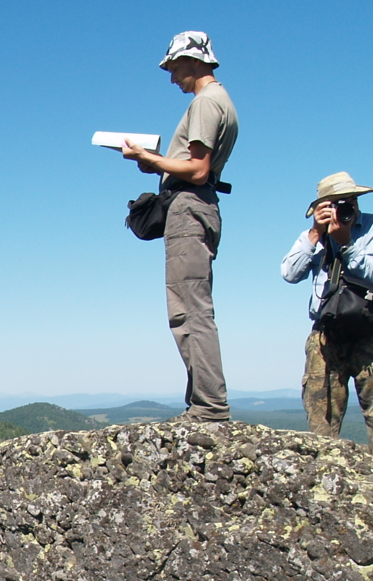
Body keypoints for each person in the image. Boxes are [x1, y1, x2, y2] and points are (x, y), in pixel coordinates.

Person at [121, 31, 239, 423]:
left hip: (189, 209)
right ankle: (203, 403)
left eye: (174, 68)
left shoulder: (206, 103)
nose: (172, 78)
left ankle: (209, 408)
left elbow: (198, 169)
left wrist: (152, 161)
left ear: (193, 60)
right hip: (198, 207)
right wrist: (154, 161)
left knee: (189, 310)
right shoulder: (219, 102)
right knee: (190, 307)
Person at [280, 172, 373, 471]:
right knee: (321, 418)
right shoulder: (315, 233)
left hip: (370, 332)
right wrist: (315, 233)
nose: (344, 209)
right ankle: (327, 485)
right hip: (327, 333)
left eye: (349, 202)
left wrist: (347, 241)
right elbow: (289, 273)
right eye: (335, 204)